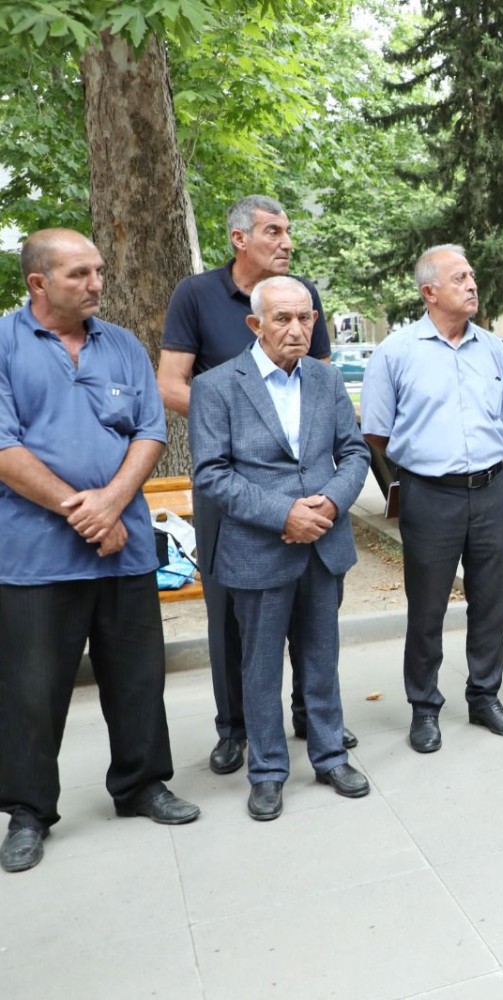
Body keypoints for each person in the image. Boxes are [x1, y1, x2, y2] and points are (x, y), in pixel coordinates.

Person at [0, 229, 200, 874]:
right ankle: (29, 811)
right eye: (80, 274)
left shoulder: (121, 346)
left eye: (100, 271)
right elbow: (5, 451)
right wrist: (81, 511)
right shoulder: (4, 344)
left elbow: (149, 431)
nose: (96, 284)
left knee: (137, 677)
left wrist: (112, 503)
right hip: (35, 557)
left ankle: (142, 785)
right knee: (33, 690)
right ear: (38, 283)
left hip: (126, 549)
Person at [158, 195, 354, 776]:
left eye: (289, 231)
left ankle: (318, 730)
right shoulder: (197, 297)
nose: (287, 241)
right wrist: (243, 413)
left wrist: (325, 498)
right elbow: (173, 384)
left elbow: (329, 415)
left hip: (316, 511)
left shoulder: (302, 302)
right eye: (274, 231)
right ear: (240, 238)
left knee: (318, 642)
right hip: (241, 497)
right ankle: (237, 732)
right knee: (239, 629)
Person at [189, 277, 370, 820]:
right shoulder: (218, 386)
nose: (296, 328)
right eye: (283, 319)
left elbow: (355, 453)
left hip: (323, 545)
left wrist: (331, 507)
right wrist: (283, 514)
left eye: (306, 318)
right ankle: (267, 772)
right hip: (257, 549)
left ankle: (330, 754)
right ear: (256, 324)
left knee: (322, 658)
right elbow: (211, 473)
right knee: (260, 668)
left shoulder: (326, 379)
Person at [360, 246, 503, 752]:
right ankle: (424, 707)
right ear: (430, 292)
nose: (472, 284)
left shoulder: (495, 349)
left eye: (472, 274)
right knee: (426, 607)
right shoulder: (396, 352)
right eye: (459, 278)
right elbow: (377, 434)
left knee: (491, 602)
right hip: (430, 495)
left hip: (492, 490)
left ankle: (484, 696)